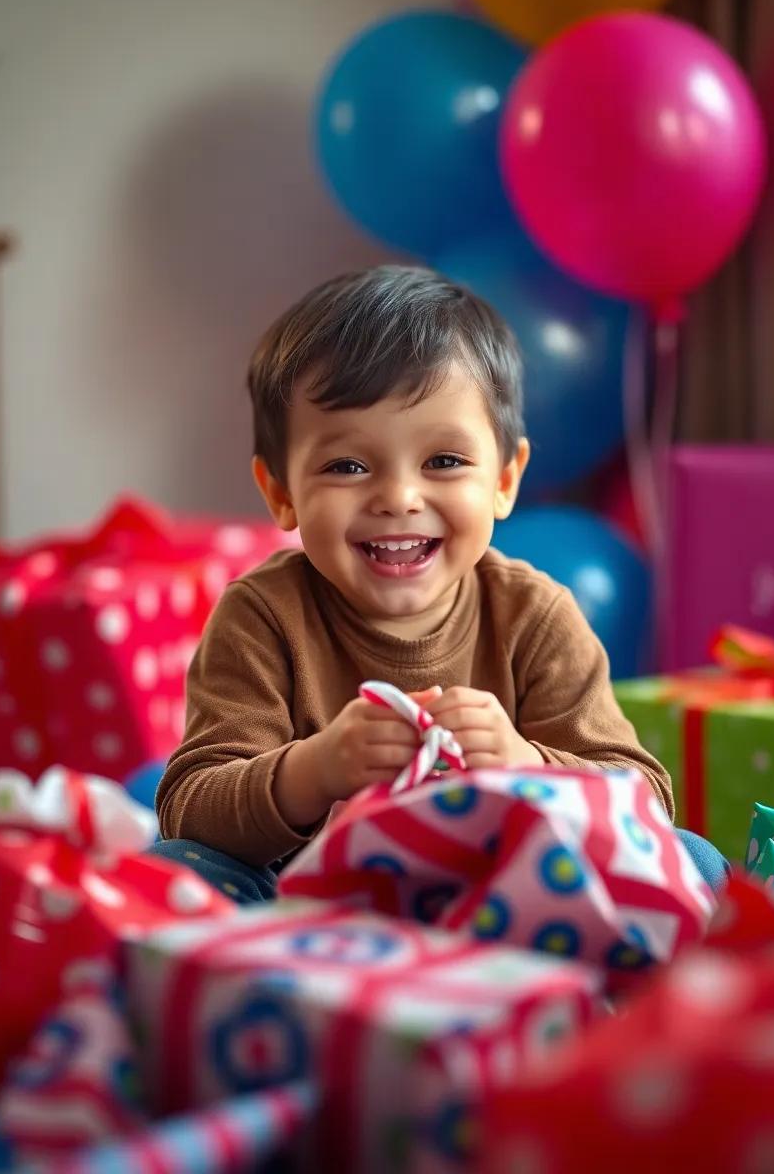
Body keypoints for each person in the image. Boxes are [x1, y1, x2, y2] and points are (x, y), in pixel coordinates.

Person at [151, 265, 728, 904]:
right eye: (347, 466)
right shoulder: (262, 617)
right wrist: (315, 770)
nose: (399, 498)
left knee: (695, 859)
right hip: (313, 910)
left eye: (444, 461)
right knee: (174, 869)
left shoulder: (535, 615)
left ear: (505, 481)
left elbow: (643, 796)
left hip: (512, 900)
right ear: (281, 494)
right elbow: (190, 806)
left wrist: (527, 767)